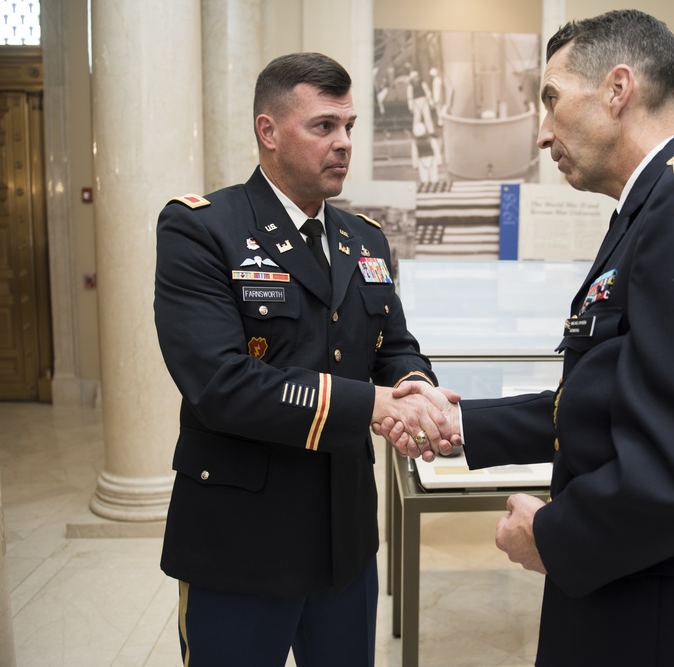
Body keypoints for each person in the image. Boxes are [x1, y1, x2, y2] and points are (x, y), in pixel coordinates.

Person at [380, 10, 674, 666]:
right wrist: (464, 425)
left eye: (551, 99)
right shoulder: (650, 211)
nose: (543, 132)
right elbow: (613, 399)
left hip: (672, 619)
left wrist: (556, 536)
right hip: (639, 586)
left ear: (617, 88)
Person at [154, 52, 457, 666]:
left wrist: (415, 390)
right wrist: (374, 404)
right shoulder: (202, 230)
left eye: (349, 126)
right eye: (324, 126)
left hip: (343, 538)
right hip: (241, 542)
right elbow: (222, 383)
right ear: (269, 132)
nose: (344, 142)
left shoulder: (363, 237)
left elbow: (393, 344)